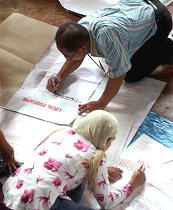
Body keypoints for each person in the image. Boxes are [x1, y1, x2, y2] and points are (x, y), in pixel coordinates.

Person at [46, 0, 173, 115]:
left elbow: (119, 75)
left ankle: (167, 47)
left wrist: (101, 103)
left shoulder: (107, 39)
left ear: (83, 48)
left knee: (132, 75)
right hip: (139, 6)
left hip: (159, 19)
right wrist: (60, 75)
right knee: (119, 57)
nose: (67, 59)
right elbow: (77, 57)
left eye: (67, 56)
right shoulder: (80, 29)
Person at [2, 110, 146, 210]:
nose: (110, 145)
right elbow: (107, 202)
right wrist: (133, 184)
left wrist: (97, 172)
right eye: (111, 141)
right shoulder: (96, 156)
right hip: (37, 204)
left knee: (78, 185)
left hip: (12, 189)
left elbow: (62, 165)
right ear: (106, 140)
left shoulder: (62, 131)